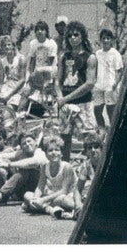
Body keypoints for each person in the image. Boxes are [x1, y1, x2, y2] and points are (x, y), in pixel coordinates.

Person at [56, 21, 97, 160]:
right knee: (63, 139)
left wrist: (66, 98)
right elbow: (58, 80)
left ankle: (92, 171)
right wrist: (60, 98)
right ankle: (65, 169)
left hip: (83, 104)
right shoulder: (63, 57)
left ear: (82, 36)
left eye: (76, 35)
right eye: (69, 36)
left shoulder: (90, 57)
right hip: (65, 105)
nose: (73, 38)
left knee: (90, 139)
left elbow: (89, 83)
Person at [0, 131, 46, 207]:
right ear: (21, 147)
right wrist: (1, 166)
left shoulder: (40, 153)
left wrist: (8, 165)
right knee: (4, 162)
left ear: (35, 142)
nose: (27, 144)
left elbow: (33, 162)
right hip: (20, 191)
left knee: (23, 171)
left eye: (29, 141)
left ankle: (0, 197)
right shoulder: (20, 153)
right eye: (24, 143)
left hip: (34, 191)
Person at [22, 134, 79, 219]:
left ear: (61, 153)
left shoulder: (66, 167)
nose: (54, 153)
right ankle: (50, 210)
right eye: (50, 150)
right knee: (27, 195)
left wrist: (42, 200)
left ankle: (44, 208)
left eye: (57, 150)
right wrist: (35, 199)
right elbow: (40, 186)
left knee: (61, 199)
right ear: (46, 154)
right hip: (53, 195)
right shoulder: (44, 166)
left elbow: (64, 191)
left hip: (67, 195)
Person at [18, 21, 58, 112]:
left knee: (39, 70)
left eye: (42, 30)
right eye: (37, 30)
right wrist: (30, 75)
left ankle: (38, 92)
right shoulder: (33, 43)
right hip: (36, 73)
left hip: (49, 71)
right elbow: (32, 61)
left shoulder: (51, 44)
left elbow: (49, 62)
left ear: (46, 32)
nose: (39, 32)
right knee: (25, 92)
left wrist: (37, 75)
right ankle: (19, 115)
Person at [93, 28, 124, 128]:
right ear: (100, 40)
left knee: (111, 112)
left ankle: (113, 131)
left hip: (110, 86)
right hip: (98, 85)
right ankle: (102, 131)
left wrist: (116, 83)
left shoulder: (115, 53)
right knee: (97, 110)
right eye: (103, 38)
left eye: (108, 38)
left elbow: (119, 70)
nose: (106, 40)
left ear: (111, 40)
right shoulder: (97, 53)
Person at [0, 37, 26, 102]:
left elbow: (22, 80)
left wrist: (8, 95)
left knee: (8, 108)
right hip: (6, 87)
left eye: (9, 44)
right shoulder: (2, 61)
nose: (7, 47)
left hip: (17, 89)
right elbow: (0, 80)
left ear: (13, 46)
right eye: (4, 45)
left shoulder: (21, 59)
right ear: (2, 48)